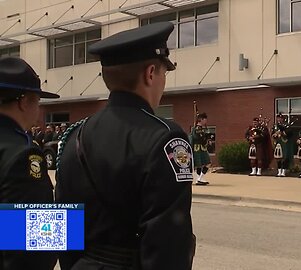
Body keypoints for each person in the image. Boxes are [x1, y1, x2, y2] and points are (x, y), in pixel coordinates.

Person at [55, 22, 196, 270]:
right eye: (164, 72)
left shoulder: (75, 134)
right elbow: (168, 242)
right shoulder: (165, 137)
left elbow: (63, 227)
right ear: (150, 73)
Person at [0, 57, 59, 269]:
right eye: (37, 101)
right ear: (24, 101)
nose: (38, 109)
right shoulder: (22, 154)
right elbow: (32, 247)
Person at [191, 112, 211, 185]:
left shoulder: (200, 129)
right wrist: (207, 140)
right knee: (200, 164)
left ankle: (200, 178)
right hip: (198, 148)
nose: (206, 121)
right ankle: (199, 179)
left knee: (206, 163)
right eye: (205, 119)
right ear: (201, 119)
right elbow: (200, 139)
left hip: (201, 148)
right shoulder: (197, 129)